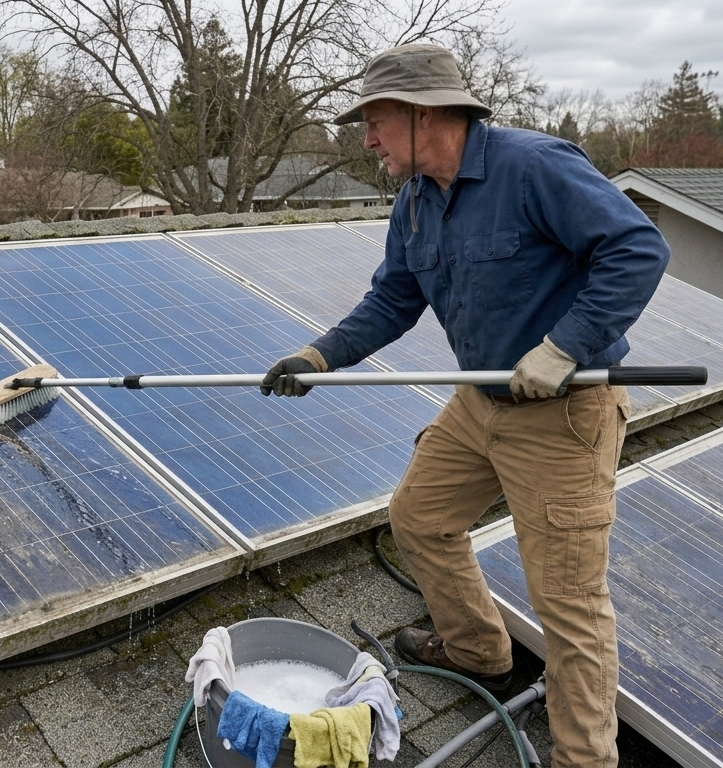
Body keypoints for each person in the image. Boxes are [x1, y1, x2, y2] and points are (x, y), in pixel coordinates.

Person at [260, 43, 669, 767]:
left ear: (423, 115)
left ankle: (584, 759)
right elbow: (393, 297)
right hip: (479, 404)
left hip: (561, 416)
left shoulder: (533, 167)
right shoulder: (415, 202)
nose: (367, 140)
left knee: (567, 606)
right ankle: (479, 649)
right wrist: (317, 356)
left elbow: (635, 248)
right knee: (418, 518)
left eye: (376, 121)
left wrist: (564, 345)